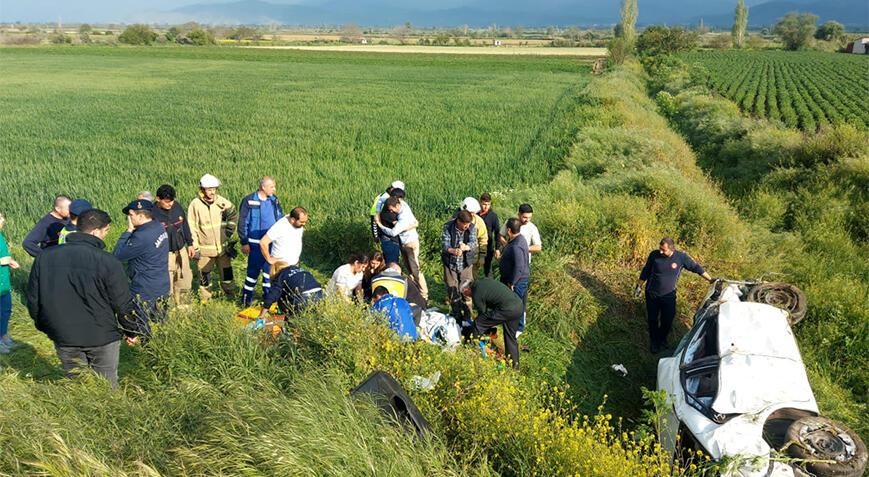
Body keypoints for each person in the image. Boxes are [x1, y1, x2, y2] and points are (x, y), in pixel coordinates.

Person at [26, 209, 133, 387]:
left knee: (78, 387)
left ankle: (81, 413)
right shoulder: (108, 261)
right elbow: (122, 303)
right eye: (106, 231)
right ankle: (107, 413)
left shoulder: (44, 258)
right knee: (106, 387)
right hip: (102, 336)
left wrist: (48, 327)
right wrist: (131, 330)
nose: (106, 235)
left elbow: (33, 300)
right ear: (96, 231)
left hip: (64, 335)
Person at [636, 237, 714, 354]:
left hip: (668, 295)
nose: (661, 252)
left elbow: (695, 267)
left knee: (668, 319)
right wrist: (639, 286)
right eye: (660, 249)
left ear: (672, 249)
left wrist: (711, 279)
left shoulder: (681, 258)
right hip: (652, 293)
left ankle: (662, 338)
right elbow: (646, 271)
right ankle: (654, 342)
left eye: (663, 250)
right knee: (652, 319)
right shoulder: (654, 255)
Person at [114, 199, 170, 338]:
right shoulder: (158, 226)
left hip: (145, 288)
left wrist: (128, 231)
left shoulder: (141, 237)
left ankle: (148, 349)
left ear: (140, 216)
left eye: (131, 215)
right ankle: (165, 344)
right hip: (162, 283)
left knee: (143, 323)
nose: (129, 218)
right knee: (161, 321)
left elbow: (117, 255)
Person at [188, 174, 238, 301]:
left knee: (227, 273)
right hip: (205, 250)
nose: (212, 192)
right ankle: (205, 299)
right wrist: (195, 247)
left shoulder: (222, 201)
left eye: (214, 189)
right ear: (202, 189)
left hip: (222, 249)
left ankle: (230, 294)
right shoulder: (195, 205)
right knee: (204, 276)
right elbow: (191, 227)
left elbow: (233, 214)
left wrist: (228, 232)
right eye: (209, 189)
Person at [238, 176, 284, 306]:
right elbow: (242, 223)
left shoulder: (274, 201)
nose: (274, 189)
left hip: (271, 243)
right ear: (263, 187)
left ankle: (268, 300)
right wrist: (244, 242)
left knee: (269, 273)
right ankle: (246, 301)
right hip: (255, 244)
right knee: (252, 273)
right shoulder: (249, 201)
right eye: (272, 187)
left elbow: (280, 219)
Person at [462, 278, 524, 369]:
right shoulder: (483, 281)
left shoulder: (476, 293)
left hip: (507, 309)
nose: (465, 296)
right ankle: (515, 366)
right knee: (510, 337)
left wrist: (478, 330)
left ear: (466, 290)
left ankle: (471, 343)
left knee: (478, 323)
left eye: (464, 293)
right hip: (518, 306)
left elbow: (482, 315)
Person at [378, 192, 428, 300]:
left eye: (392, 209)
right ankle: (416, 292)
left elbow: (393, 233)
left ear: (397, 206)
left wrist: (380, 225)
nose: (391, 212)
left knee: (415, 270)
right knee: (410, 269)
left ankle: (424, 295)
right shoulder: (403, 206)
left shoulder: (402, 217)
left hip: (410, 244)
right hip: (406, 243)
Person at [153, 185, 196, 306]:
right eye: (166, 202)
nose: (170, 204)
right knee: (168, 284)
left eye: (172, 200)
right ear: (158, 199)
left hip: (181, 250)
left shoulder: (177, 206)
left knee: (184, 280)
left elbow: (185, 225)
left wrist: (190, 244)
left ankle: (184, 307)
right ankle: (170, 310)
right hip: (165, 254)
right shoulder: (152, 214)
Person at [442, 210, 478, 323]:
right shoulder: (448, 227)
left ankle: (468, 316)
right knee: (452, 290)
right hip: (450, 263)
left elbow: (474, 243)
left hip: (465, 264)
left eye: (468, 224)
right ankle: (457, 316)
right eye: (465, 225)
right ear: (458, 221)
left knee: (467, 291)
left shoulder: (472, 228)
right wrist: (453, 250)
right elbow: (444, 245)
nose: (467, 227)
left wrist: (466, 247)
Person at [259, 261, 323, 319]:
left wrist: (261, 315)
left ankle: (289, 327)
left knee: (282, 299)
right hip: (320, 296)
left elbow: (271, 296)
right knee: (315, 319)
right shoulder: (301, 270)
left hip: (302, 299)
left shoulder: (281, 275)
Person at [499, 217, 530, 316]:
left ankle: (519, 327)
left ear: (508, 230)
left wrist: (512, 283)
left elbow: (519, 267)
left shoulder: (516, 245)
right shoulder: (519, 238)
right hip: (514, 279)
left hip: (517, 281)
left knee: (516, 305)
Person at [0, 212, 21, 354]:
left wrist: (10, 260)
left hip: (4, 284)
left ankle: (4, 335)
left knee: (5, 310)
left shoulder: (1, 236)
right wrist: (3, 261)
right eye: (0, 217)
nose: (3, 220)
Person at [460, 197, 488, 277]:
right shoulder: (454, 220)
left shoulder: (478, 222)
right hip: (457, 257)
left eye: (473, 213)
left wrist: (482, 256)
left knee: (471, 280)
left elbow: (483, 239)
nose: (472, 215)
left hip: (472, 258)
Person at [376, 196, 403, 265]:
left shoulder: (384, 211)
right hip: (390, 240)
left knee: (390, 261)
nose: (391, 211)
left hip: (388, 239)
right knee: (392, 263)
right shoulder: (389, 214)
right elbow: (400, 226)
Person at [479, 193, 500, 277]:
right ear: (480, 202)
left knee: (488, 270)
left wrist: (497, 248)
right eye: (484, 204)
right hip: (475, 245)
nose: (486, 207)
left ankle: (489, 285)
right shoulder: (475, 214)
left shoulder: (493, 216)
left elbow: (497, 232)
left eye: (488, 204)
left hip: (488, 245)